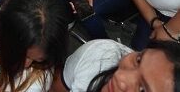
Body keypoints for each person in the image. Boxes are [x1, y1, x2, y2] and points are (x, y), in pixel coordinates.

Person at [52, 39, 180, 92]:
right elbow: (57, 86)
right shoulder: (99, 55)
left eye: (142, 90)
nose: (120, 77)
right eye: (138, 60)